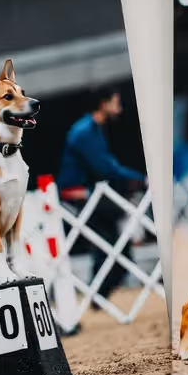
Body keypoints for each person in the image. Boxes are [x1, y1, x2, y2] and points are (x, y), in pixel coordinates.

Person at [58, 86, 147, 307]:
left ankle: (97, 296)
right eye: (116, 102)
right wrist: (142, 179)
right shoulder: (86, 132)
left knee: (109, 246)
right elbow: (107, 168)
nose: (120, 107)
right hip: (78, 196)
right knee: (111, 243)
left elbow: (107, 168)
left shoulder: (92, 129)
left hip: (89, 195)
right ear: (103, 103)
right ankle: (97, 295)